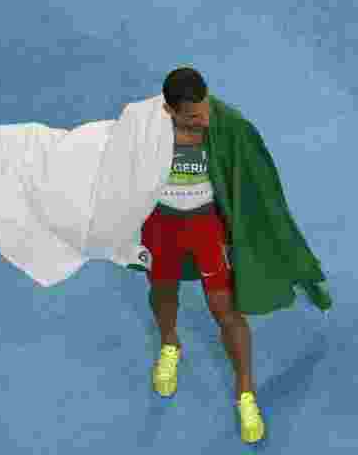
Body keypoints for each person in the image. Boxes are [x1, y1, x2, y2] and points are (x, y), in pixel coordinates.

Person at [139, 67, 332, 444]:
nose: (203, 118)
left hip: (206, 227)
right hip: (161, 226)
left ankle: (246, 393)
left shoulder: (230, 125)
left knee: (224, 308)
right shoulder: (144, 129)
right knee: (163, 292)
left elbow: (260, 186)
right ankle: (169, 345)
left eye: (205, 106)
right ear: (169, 110)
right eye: (193, 116)